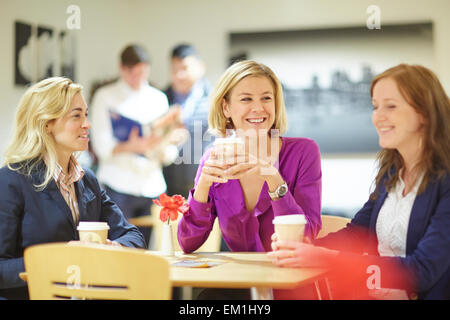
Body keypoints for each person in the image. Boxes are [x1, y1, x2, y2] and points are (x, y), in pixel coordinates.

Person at [269, 64, 450, 300]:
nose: (378, 116)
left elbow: (423, 272)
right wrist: (307, 248)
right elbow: (357, 234)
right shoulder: (391, 173)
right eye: (375, 106)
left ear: (424, 113)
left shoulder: (444, 182)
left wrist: (325, 259)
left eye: (391, 106)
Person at [0, 77, 146, 300]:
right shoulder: (11, 180)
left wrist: (114, 246)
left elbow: (132, 235)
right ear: (46, 123)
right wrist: (58, 259)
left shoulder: (87, 180)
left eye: (85, 115)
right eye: (76, 116)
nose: (87, 124)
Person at [90, 45, 179, 241]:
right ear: (122, 68)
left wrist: (164, 146)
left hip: (152, 183)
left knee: (150, 245)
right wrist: (133, 146)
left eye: (143, 72)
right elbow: (101, 145)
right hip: (118, 182)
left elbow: (167, 144)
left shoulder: (158, 98)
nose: (138, 77)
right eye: (133, 72)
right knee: (119, 243)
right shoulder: (105, 96)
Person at [163, 44, 212, 198]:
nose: (179, 75)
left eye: (184, 68)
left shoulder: (216, 99)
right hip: (170, 187)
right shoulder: (161, 100)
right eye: (174, 70)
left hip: (208, 186)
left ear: (201, 67)